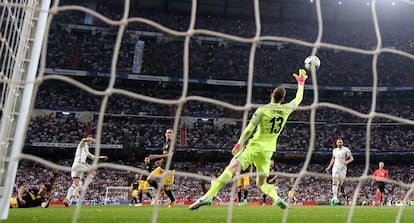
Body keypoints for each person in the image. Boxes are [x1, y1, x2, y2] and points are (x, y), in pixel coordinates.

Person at [189, 68, 308, 210]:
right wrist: (301, 83)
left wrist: (239, 143)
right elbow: (298, 99)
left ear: (271, 95)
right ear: (283, 99)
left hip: (254, 147)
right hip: (268, 152)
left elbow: (248, 130)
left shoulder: (262, 110)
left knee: (231, 168)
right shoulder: (286, 109)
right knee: (261, 183)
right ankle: (276, 198)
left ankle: (207, 196)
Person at [63, 135, 108, 208]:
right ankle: (82, 189)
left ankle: (67, 199)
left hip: (75, 166)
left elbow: (92, 157)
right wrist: (92, 139)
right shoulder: (82, 143)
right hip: (80, 163)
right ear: (88, 139)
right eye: (90, 140)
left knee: (75, 184)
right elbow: (83, 139)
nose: (91, 142)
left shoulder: (86, 149)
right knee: (93, 172)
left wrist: (101, 157)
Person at [147, 128, 176, 208]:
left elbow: (170, 155)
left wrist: (156, 156)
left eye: (170, 132)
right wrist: (160, 161)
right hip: (162, 166)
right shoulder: (166, 143)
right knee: (149, 179)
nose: (169, 133)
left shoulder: (172, 144)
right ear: (165, 134)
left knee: (166, 188)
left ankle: (173, 201)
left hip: (169, 169)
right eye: (167, 132)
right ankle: (160, 191)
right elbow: (165, 155)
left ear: (173, 135)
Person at [325, 138, 354, 206]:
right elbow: (333, 159)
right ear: (336, 143)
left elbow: (352, 158)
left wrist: (346, 162)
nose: (340, 143)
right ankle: (334, 197)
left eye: (341, 142)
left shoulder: (346, 150)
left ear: (342, 143)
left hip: (343, 168)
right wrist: (329, 167)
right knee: (334, 181)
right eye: (338, 142)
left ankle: (336, 197)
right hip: (335, 167)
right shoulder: (334, 150)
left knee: (340, 184)